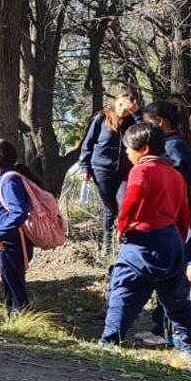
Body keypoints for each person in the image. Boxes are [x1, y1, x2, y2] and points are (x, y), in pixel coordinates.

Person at [98, 122, 191, 366]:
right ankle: (188, 347)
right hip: (172, 243)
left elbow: (133, 197)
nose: (127, 154)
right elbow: (183, 213)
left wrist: (122, 225)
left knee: (123, 292)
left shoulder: (141, 171)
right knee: (176, 303)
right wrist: (178, 241)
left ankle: (109, 342)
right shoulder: (176, 175)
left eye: (129, 149)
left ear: (144, 149)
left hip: (143, 243)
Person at [138, 102, 191, 346]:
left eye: (147, 123)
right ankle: (163, 329)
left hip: (180, 222)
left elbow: (178, 185)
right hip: (176, 221)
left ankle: (170, 333)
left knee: (174, 277)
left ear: (159, 122)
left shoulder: (174, 148)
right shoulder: (173, 147)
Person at [0, 139, 41, 312]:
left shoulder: (9, 181)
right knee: (10, 283)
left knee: (15, 286)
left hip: (11, 242)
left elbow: (19, 211)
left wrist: (0, 233)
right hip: (9, 240)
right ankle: (12, 319)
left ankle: (21, 320)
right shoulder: (8, 177)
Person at [79, 92, 141, 250]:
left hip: (125, 171)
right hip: (102, 169)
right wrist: (84, 167)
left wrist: (136, 113)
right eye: (119, 105)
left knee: (126, 205)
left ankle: (127, 242)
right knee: (110, 208)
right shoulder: (101, 119)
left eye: (125, 106)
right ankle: (108, 246)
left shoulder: (134, 121)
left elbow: (145, 133)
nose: (121, 109)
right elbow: (88, 143)